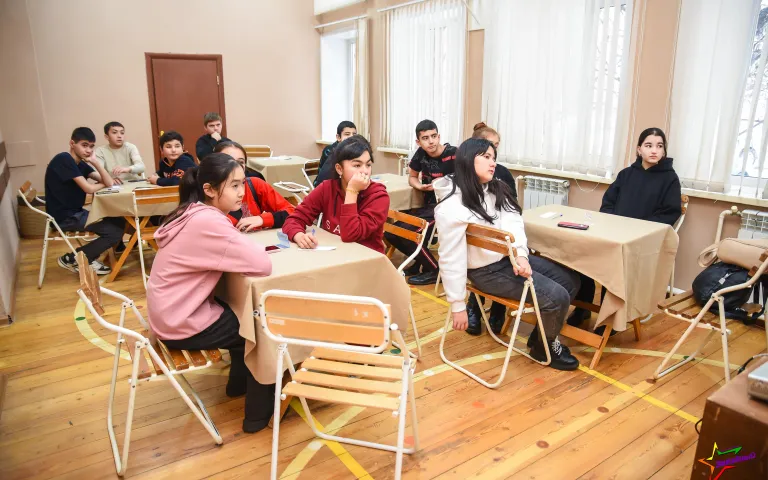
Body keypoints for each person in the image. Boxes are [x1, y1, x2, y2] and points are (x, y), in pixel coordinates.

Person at [147, 153, 274, 433]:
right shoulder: (209, 221)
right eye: (234, 186)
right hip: (180, 323)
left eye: (243, 184)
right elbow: (262, 265)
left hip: (166, 314)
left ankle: (238, 385)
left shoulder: (189, 211)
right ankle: (257, 415)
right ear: (209, 189)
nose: (242, 192)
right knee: (258, 327)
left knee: (240, 312)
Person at [434, 138, 581, 370]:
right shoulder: (451, 206)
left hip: (507, 259)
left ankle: (540, 339)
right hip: (484, 271)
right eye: (486, 157)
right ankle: (545, 347)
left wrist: (521, 255)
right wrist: (458, 304)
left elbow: (514, 222)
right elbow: (450, 258)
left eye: (493, 157)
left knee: (571, 282)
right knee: (557, 297)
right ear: (467, 160)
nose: (493, 163)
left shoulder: (495, 188)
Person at [568, 127, 682, 332]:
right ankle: (582, 307)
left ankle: (610, 319)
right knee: (583, 256)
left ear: (664, 150)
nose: (654, 150)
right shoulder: (627, 174)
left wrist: (638, 230)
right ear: (639, 149)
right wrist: (613, 223)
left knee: (614, 269)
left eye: (659, 146)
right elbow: (608, 202)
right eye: (648, 145)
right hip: (614, 234)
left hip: (641, 242)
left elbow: (669, 213)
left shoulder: (670, 179)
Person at [282, 135, 389, 253]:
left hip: (367, 258)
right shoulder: (327, 188)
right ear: (339, 169)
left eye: (368, 165)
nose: (365, 171)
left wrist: (352, 191)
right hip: (334, 255)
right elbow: (294, 219)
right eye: (357, 165)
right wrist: (298, 236)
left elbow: (350, 234)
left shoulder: (378, 196)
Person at [384, 120, 456, 286]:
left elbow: (467, 180)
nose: (431, 141)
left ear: (439, 137)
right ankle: (420, 263)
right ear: (418, 142)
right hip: (428, 206)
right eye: (425, 138)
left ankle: (435, 271)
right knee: (391, 233)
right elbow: (412, 177)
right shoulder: (420, 154)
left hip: (448, 208)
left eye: (433, 136)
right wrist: (420, 186)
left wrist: (446, 184)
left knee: (410, 236)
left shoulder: (454, 154)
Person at [462, 122, 517, 335]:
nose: (493, 152)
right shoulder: (464, 176)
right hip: (477, 240)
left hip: (499, 235)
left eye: (496, 146)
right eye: (488, 146)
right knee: (481, 261)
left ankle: (498, 309)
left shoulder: (503, 174)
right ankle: (474, 306)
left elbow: (513, 207)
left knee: (503, 260)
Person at [46, 127, 125, 275]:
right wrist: (104, 184)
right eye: (84, 145)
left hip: (76, 213)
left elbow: (108, 181)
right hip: (65, 218)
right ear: (72, 143)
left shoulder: (80, 163)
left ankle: (87, 255)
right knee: (114, 232)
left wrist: (95, 162)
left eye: (91, 146)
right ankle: (76, 258)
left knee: (120, 221)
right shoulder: (64, 159)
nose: (88, 150)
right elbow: (89, 188)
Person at [214, 141, 296, 232]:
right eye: (229, 162)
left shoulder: (255, 185)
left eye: (240, 162)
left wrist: (262, 219)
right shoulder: (210, 194)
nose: (236, 167)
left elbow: (293, 212)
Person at [314, 121, 357, 187]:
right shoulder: (329, 151)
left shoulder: (355, 149)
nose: (351, 137)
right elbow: (327, 176)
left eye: (354, 134)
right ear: (338, 137)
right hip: (325, 185)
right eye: (347, 134)